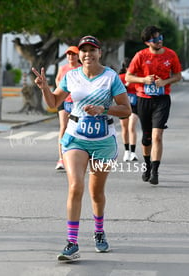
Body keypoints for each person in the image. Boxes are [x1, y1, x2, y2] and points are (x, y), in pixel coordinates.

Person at [32, 35, 130, 261]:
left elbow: (126, 110)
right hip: (75, 137)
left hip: (103, 141)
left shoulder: (110, 77)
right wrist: (44, 87)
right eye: (83, 51)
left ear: (99, 53)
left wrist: (104, 109)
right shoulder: (71, 76)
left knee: (96, 192)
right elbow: (53, 103)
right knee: (76, 186)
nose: (87, 54)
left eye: (92, 50)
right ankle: (72, 242)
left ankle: (98, 232)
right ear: (79, 55)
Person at [125, 25, 182, 185]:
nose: (159, 41)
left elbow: (178, 76)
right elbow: (129, 77)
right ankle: (147, 165)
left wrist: (165, 81)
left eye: (160, 37)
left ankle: (155, 171)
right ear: (147, 42)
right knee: (147, 137)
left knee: (158, 135)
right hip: (144, 99)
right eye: (156, 39)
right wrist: (144, 80)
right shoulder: (140, 56)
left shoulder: (171, 55)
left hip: (162, 99)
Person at [55, 46, 82, 170]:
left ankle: (78, 157)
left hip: (77, 102)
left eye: (74, 54)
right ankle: (61, 159)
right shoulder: (63, 68)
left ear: (78, 56)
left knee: (78, 128)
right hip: (64, 101)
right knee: (64, 127)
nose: (71, 57)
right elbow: (58, 80)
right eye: (69, 54)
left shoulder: (81, 69)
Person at [118, 58, 139, 162]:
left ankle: (133, 152)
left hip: (135, 105)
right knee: (124, 128)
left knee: (131, 127)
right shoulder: (120, 78)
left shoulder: (137, 78)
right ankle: (126, 151)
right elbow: (117, 91)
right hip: (123, 105)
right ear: (126, 68)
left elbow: (140, 90)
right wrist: (127, 84)